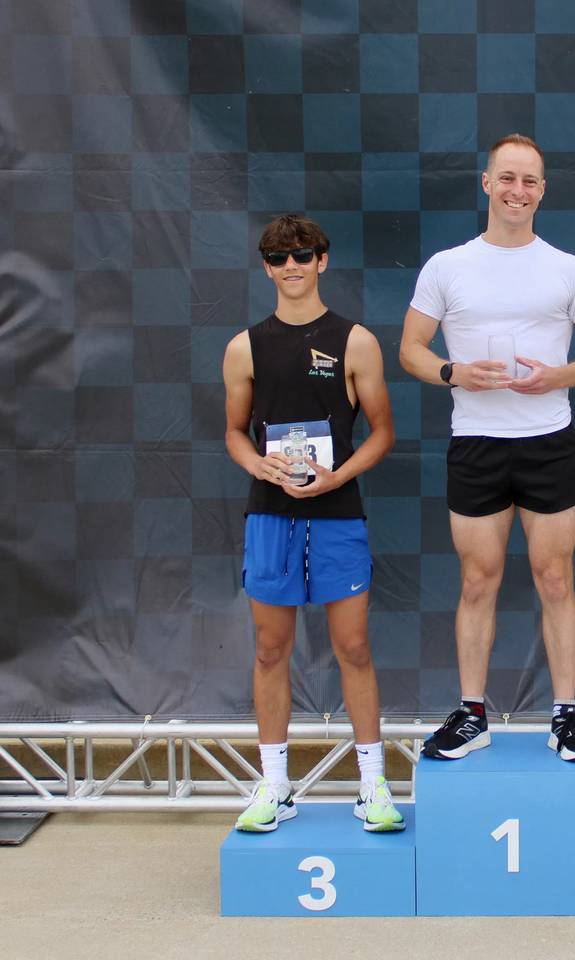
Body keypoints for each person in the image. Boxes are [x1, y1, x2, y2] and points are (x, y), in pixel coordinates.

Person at [399, 134, 575, 762]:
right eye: (508, 178)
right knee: (476, 581)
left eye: (530, 181)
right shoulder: (447, 266)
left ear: (542, 191)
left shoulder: (569, 268)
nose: (518, 191)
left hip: (548, 441)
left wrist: (558, 375)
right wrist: (451, 373)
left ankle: (566, 715)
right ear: (487, 183)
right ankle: (472, 714)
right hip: (476, 443)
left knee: (555, 578)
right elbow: (411, 348)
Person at [223, 214, 403, 832]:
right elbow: (233, 431)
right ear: (266, 267)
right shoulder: (244, 346)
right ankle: (275, 786)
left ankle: (372, 785)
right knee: (272, 649)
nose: (291, 266)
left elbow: (382, 431)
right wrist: (260, 466)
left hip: (335, 512)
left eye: (303, 254)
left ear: (323, 260)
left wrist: (338, 475)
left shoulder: (355, 340)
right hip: (270, 515)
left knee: (353, 646)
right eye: (278, 257)